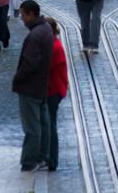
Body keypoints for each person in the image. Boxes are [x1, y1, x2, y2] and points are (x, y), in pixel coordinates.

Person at [12, 0, 54, 172]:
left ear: (31, 14)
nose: (21, 18)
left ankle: (30, 160)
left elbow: (30, 63)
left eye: (23, 14)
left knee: (32, 126)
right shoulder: (46, 30)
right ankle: (43, 156)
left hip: (30, 87)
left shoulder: (35, 35)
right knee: (43, 123)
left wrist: (17, 79)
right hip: (42, 85)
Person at [45, 17, 68, 172]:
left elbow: (44, 67)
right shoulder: (51, 44)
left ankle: (52, 159)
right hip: (51, 88)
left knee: (50, 124)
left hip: (53, 90)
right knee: (48, 123)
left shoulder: (54, 47)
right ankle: (48, 157)